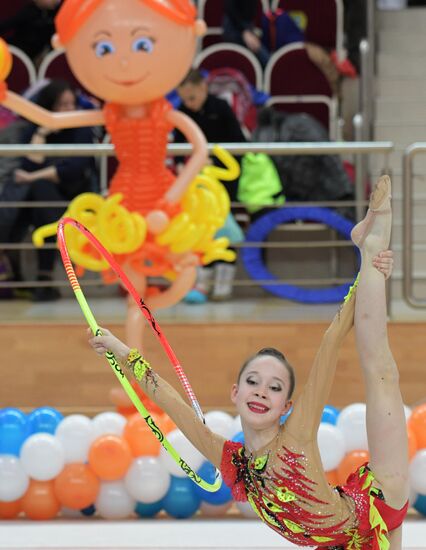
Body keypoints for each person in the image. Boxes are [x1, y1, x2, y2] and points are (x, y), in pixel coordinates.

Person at [89, 176, 408, 549]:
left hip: (378, 502)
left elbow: (331, 342)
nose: (261, 392)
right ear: (235, 392)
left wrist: (366, 277)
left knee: (381, 372)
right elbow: (170, 402)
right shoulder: (230, 460)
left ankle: (370, 248)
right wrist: (121, 351)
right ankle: (369, 253)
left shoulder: (297, 435)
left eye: (274, 388)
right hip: (338, 541)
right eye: (253, 382)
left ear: (286, 406)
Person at [0, 79, 96, 301]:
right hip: (43, 202)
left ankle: (36, 275)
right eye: (62, 105)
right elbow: (29, 163)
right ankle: (44, 275)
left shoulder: (81, 130)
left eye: (71, 104)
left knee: (35, 190)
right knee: (38, 195)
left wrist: (35, 176)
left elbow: (74, 169)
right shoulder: (34, 129)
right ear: (49, 106)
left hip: (75, 196)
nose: (68, 110)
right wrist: (42, 133)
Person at [175, 68, 246, 302]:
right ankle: (202, 280)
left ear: (204, 88)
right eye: (185, 99)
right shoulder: (182, 113)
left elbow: (239, 145)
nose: (189, 103)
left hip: (224, 182)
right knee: (201, 231)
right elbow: (176, 149)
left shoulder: (221, 108)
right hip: (196, 186)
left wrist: (214, 162)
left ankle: (224, 280)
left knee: (224, 231)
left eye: (192, 98)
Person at [0, 0, 61, 65]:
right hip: (19, 53)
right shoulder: (28, 12)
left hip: (41, 57)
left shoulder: (57, 13)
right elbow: (7, 25)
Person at [223, 0, 270, 68]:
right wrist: (245, 31)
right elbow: (230, 8)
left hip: (247, 26)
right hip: (234, 28)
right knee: (264, 59)